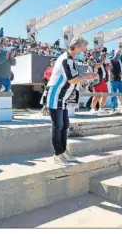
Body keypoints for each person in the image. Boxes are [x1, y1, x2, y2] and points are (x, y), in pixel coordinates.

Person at [42, 37, 98, 166]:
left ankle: (63, 151)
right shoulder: (66, 59)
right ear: (77, 47)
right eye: (84, 46)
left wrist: (86, 77)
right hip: (56, 95)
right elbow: (72, 80)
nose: (85, 49)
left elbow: (75, 79)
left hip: (63, 97)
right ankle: (58, 154)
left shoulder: (71, 59)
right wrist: (85, 77)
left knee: (65, 125)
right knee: (58, 125)